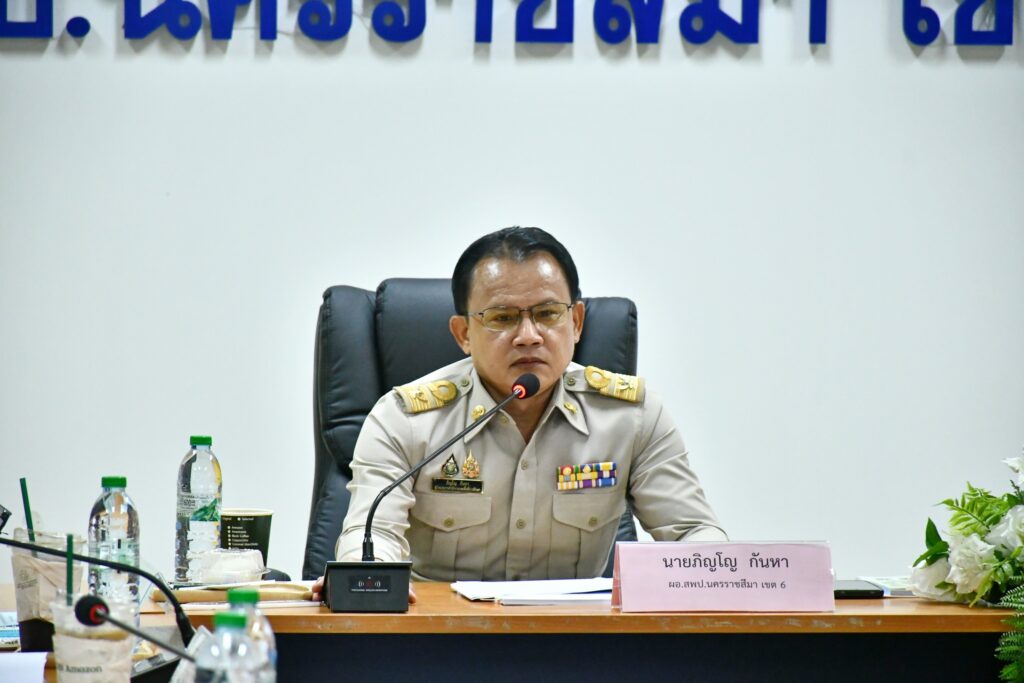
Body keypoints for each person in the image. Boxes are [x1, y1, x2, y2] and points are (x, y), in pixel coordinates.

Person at [312, 227, 725, 600]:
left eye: (547, 314)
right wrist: (367, 577)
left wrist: (716, 577)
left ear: (576, 322)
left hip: (578, 640)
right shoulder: (405, 418)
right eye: (502, 318)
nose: (528, 336)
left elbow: (692, 533)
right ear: (463, 334)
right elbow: (372, 536)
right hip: (440, 639)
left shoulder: (631, 416)